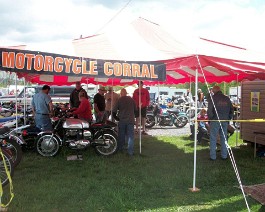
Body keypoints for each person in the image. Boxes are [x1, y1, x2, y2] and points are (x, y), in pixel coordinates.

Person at [207, 85, 234, 160]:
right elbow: (232, 110)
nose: (212, 91)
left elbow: (209, 110)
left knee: (213, 138)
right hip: (224, 120)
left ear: (214, 91)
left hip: (215, 120)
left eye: (212, 90)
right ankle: (224, 156)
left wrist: (211, 118)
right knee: (224, 138)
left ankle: (213, 157)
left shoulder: (212, 98)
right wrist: (228, 118)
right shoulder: (227, 98)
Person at [113, 88, 136, 155]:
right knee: (130, 136)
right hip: (130, 120)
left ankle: (120, 149)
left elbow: (113, 111)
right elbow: (136, 110)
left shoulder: (119, 100)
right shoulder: (132, 100)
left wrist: (116, 118)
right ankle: (130, 152)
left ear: (121, 94)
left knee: (121, 135)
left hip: (122, 120)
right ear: (126, 93)